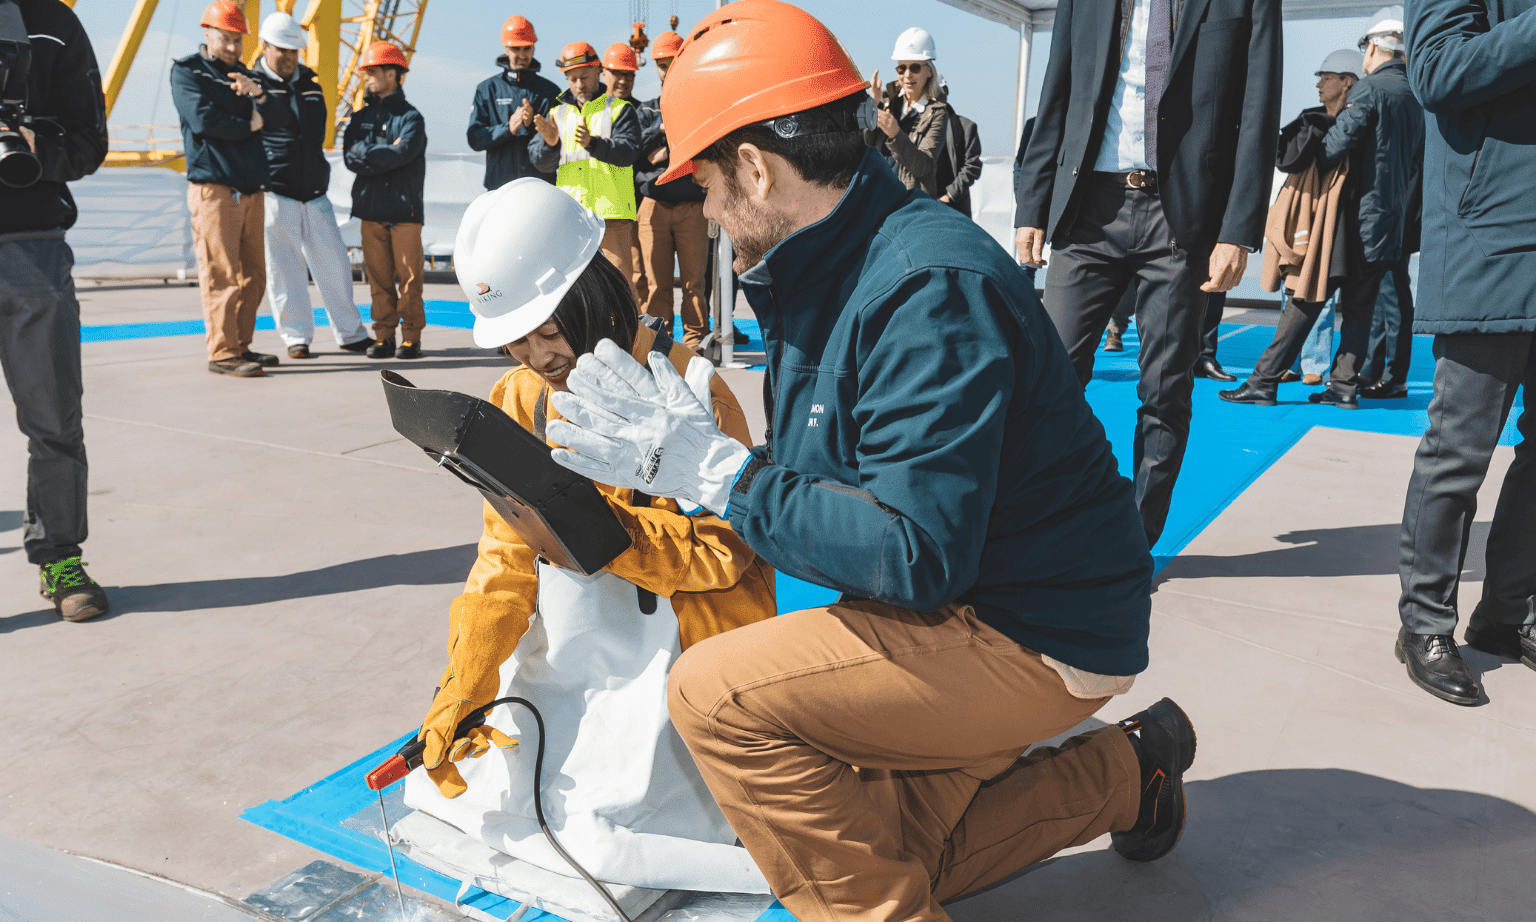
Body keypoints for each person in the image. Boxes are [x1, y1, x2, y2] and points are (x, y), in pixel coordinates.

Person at [544, 5, 1196, 921]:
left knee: (719, 696)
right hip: (986, 597)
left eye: (707, 184)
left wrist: (725, 478)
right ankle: (1133, 771)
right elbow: (862, 464)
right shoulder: (833, 260)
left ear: (759, 168)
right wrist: (736, 463)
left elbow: (914, 552)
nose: (706, 209)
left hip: (1028, 628)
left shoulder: (927, 286)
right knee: (885, 854)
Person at [417, 177, 776, 797]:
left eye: (549, 331)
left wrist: (606, 534)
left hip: (691, 662)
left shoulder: (688, 384)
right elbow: (503, 561)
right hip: (584, 659)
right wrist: (466, 679)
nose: (536, 356)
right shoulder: (520, 397)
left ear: (593, 291)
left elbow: (728, 554)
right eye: (515, 338)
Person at [1015, 0, 1282, 546]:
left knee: (1165, 391)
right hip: (1088, 210)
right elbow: (1057, 91)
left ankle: (1132, 545)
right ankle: (1045, 527)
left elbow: (1259, 106)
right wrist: (1032, 206)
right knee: (1049, 378)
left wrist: (1238, 229)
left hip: (1182, 216)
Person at [1393, 0, 1536, 705]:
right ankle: (1424, 623)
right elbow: (1438, 72)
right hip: (1493, 238)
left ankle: (1507, 617)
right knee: (1459, 448)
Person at [1220, 12, 1421, 410]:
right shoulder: (1415, 95)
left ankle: (1263, 381)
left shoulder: (1369, 91)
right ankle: (1344, 386)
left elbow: (1332, 152)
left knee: (1305, 298)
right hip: (1389, 224)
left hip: (1350, 223)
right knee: (1362, 308)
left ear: (1376, 47)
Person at [0, 0, 109, 620]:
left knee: (54, 423)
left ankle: (60, 555)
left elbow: (90, 142)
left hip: (33, 252)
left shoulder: (54, 24)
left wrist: (40, 147)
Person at [171, 0, 290, 377]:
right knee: (221, 273)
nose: (234, 48)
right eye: (226, 39)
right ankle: (223, 353)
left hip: (251, 187)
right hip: (215, 189)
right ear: (207, 33)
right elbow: (203, 120)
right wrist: (249, 121)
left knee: (254, 274)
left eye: (238, 41)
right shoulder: (188, 72)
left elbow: (278, 120)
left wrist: (257, 96)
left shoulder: (245, 75)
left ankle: (241, 345)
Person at [252, 12, 370, 360]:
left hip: (315, 191)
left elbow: (316, 134)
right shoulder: (250, 85)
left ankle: (350, 334)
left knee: (334, 265)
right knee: (284, 270)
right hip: (276, 191)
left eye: (294, 51)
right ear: (264, 47)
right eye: (282, 50)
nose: (289, 58)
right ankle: (295, 338)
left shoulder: (311, 85)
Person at [529, 42, 641, 297]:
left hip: (611, 214)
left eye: (584, 77)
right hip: (573, 218)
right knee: (575, 291)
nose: (579, 84)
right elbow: (540, 162)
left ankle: (630, 338)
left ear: (598, 71)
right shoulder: (556, 114)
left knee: (621, 288)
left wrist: (593, 143)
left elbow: (628, 152)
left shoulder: (621, 110)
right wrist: (550, 144)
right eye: (573, 79)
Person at [343, 41, 428, 360]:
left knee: (409, 281)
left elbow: (404, 153)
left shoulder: (412, 118)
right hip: (371, 210)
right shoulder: (360, 116)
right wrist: (384, 153)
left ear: (392, 74)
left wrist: (369, 153)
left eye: (372, 72)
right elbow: (350, 157)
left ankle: (411, 338)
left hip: (404, 212)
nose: (366, 78)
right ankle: (384, 337)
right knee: (378, 279)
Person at [634, 30, 711, 347]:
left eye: (672, 63)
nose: (667, 71)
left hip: (693, 204)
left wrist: (670, 151)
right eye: (662, 65)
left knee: (695, 282)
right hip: (654, 204)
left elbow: (709, 145)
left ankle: (694, 344)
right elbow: (633, 151)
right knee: (657, 284)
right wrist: (662, 132)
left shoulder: (700, 106)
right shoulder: (647, 110)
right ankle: (656, 343)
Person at [466, 15, 560, 192]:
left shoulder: (551, 92)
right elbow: (475, 139)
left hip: (541, 190)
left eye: (527, 48)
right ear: (506, 48)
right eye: (516, 49)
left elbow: (560, 145)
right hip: (500, 188)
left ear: (533, 49)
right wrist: (508, 128)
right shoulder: (487, 89)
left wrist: (542, 132)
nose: (522, 55)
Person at [863, 27, 950, 197]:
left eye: (915, 67)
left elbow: (923, 167)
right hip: (876, 195)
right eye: (902, 68)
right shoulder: (885, 100)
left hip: (910, 202)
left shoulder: (937, 113)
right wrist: (873, 107)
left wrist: (896, 134)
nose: (908, 75)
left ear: (929, 71)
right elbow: (863, 146)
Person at [600, 41, 648, 305]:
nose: (623, 80)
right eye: (618, 74)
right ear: (603, 73)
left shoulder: (641, 111)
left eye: (629, 74)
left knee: (636, 276)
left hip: (635, 206)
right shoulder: (594, 111)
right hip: (603, 206)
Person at [932, 79, 982, 217]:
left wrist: (949, 196)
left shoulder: (966, 127)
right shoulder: (911, 126)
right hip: (921, 204)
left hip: (954, 206)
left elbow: (972, 165)